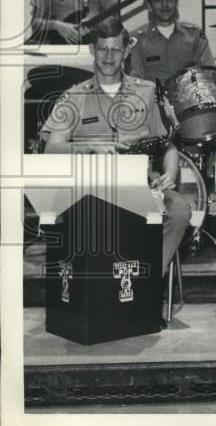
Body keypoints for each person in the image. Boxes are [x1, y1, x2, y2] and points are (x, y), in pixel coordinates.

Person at [40, 18, 191, 277]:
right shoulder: (74, 96)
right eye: (102, 49)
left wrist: (169, 172)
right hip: (91, 189)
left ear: (126, 51)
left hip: (142, 185)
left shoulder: (148, 92)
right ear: (92, 51)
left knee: (179, 209)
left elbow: (168, 147)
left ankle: (149, 280)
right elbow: (51, 149)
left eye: (115, 49)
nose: (109, 56)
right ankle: (101, 288)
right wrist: (89, 146)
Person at [129, 0, 214, 82]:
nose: (165, 5)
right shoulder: (137, 39)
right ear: (149, 6)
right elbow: (136, 81)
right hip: (151, 97)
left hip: (188, 96)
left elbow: (209, 74)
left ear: (176, 3)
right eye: (158, 0)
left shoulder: (195, 34)